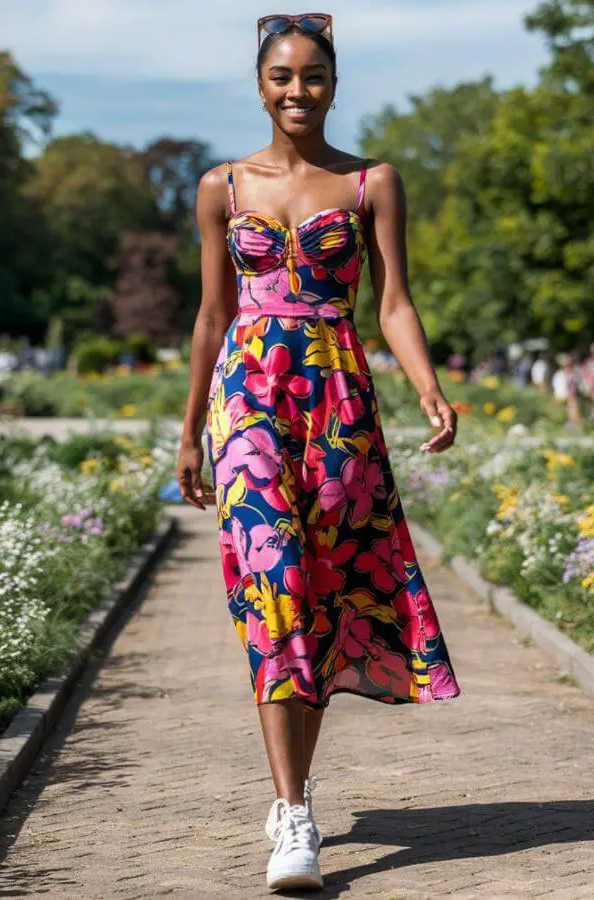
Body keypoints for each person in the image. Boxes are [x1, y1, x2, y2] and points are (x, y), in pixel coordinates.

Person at [176, 13, 460, 892]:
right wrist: (188, 431)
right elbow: (214, 316)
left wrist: (428, 388)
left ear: (334, 84)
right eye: (281, 76)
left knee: (321, 594)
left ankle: (292, 792)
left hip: (338, 403)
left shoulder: (373, 181)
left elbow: (394, 303)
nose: (297, 91)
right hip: (250, 403)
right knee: (275, 593)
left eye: (314, 77)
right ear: (258, 84)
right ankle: (295, 816)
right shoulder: (220, 186)